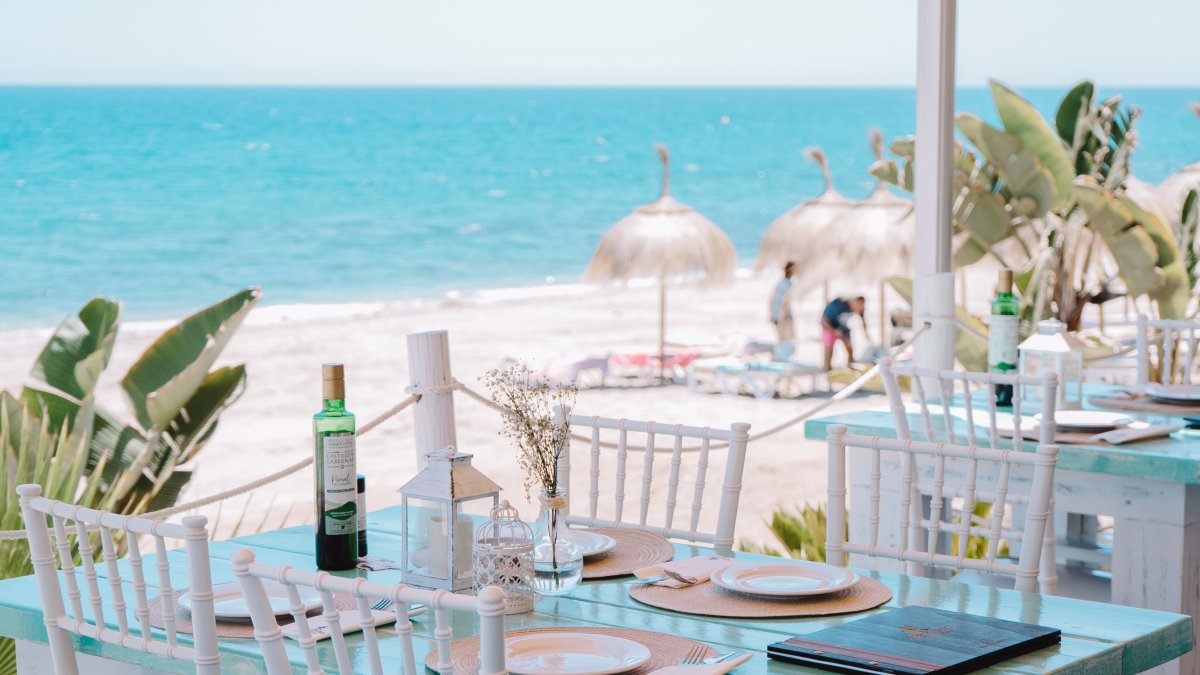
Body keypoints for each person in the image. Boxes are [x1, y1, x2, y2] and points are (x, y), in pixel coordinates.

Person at [821, 295, 867, 371]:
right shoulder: (838, 304)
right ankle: (827, 374)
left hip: (843, 329)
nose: (860, 309)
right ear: (854, 302)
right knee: (829, 354)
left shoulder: (859, 307)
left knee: (850, 350)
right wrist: (834, 331)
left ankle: (851, 371)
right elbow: (823, 321)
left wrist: (866, 335)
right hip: (829, 327)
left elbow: (863, 321)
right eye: (859, 306)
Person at [769, 262, 797, 343]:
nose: (796, 270)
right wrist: (782, 315)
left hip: (777, 313)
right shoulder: (788, 284)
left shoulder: (781, 282)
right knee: (787, 338)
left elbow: (772, 298)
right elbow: (785, 302)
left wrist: (771, 313)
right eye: (794, 268)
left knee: (782, 338)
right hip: (783, 314)